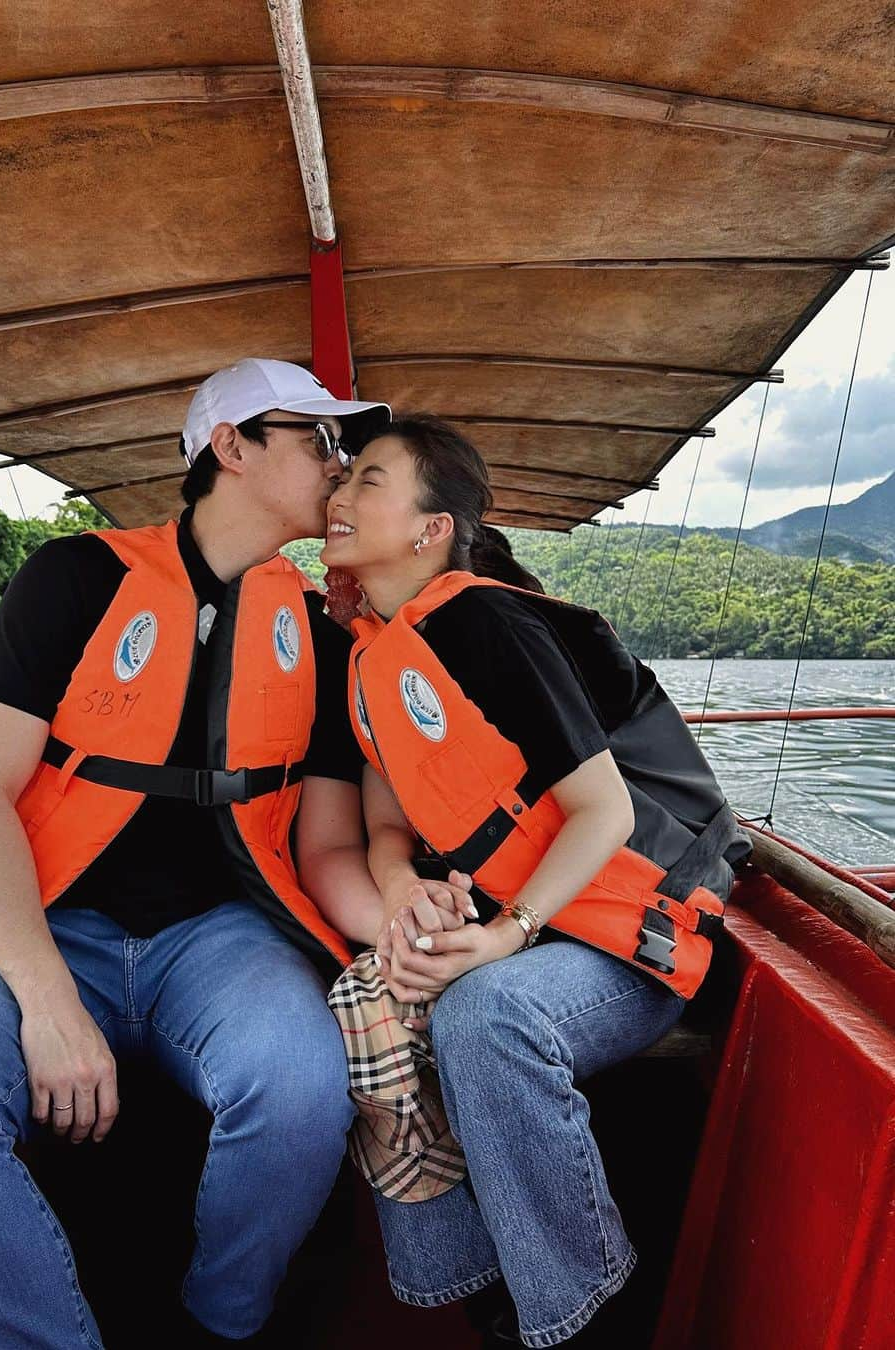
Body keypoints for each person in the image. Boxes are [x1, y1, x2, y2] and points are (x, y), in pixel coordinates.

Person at [0, 358, 397, 1348]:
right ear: (231, 446)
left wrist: (402, 925)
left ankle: (216, 1326)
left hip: (224, 943)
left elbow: (325, 841)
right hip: (49, 928)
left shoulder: (316, 632)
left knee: (303, 1087)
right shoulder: (76, 577)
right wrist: (49, 1004)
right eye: (318, 438)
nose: (339, 461)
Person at [320, 413, 751, 1347]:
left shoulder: (484, 621)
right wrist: (405, 900)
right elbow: (384, 826)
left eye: (371, 482)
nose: (340, 497)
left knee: (487, 1014)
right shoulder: (369, 662)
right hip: (537, 932)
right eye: (342, 480)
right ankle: (475, 1286)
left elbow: (607, 810)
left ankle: (579, 1316)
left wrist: (505, 933)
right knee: (370, 996)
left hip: (635, 939)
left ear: (433, 529)